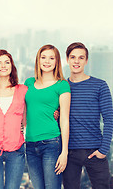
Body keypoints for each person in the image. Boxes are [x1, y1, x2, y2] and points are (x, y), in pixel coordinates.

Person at [62, 42, 113, 189]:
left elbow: (109, 119)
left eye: (81, 57)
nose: (76, 61)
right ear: (67, 59)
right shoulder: (62, 87)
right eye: (73, 57)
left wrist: (103, 150)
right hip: (70, 153)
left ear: (86, 61)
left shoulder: (100, 86)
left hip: (95, 151)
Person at [24, 44, 71, 189]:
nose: (47, 61)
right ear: (38, 60)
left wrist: (64, 152)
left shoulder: (62, 85)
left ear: (57, 61)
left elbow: (64, 119)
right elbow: (21, 112)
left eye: (52, 58)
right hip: (30, 145)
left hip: (51, 144)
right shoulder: (29, 83)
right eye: (43, 57)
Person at [0, 49, 28, 189]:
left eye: (7, 62)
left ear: (12, 66)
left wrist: (56, 112)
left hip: (16, 148)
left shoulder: (23, 90)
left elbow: (34, 111)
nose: (3, 66)